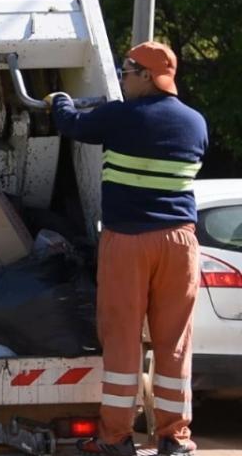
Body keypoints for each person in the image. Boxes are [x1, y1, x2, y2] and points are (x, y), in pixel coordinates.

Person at [45, 42, 207, 456]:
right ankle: (175, 438)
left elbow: (72, 126)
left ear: (146, 77)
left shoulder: (121, 117)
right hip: (180, 244)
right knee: (174, 343)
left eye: (127, 70)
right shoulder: (196, 123)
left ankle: (117, 439)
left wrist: (59, 99)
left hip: (129, 243)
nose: (121, 77)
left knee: (122, 340)